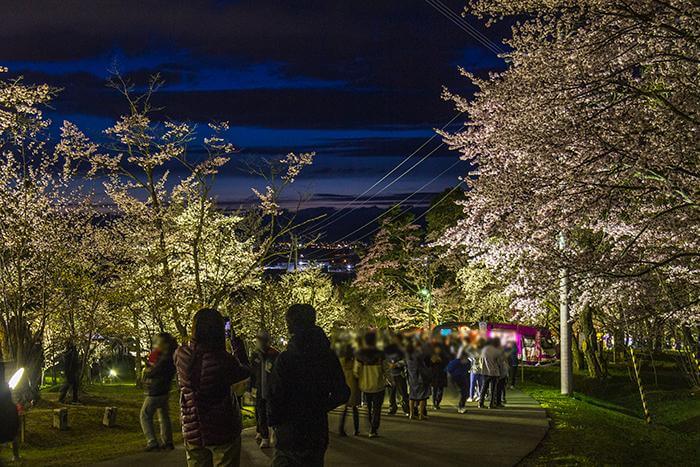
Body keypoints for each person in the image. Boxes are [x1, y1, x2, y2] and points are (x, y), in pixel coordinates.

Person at [268, 304, 350, 467]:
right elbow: (342, 392)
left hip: (289, 430)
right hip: (316, 429)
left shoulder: (286, 359)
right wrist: (319, 406)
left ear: (292, 324)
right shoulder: (327, 356)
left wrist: (273, 423)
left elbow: (276, 396)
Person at [174, 308, 251, 467]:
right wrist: (236, 343)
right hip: (222, 429)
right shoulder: (223, 360)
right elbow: (244, 372)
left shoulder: (181, 355)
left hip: (193, 429)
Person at [140, 333, 178, 452]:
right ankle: (168, 442)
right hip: (165, 391)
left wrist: (148, 369)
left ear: (165, 344)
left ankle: (152, 441)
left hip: (156, 391)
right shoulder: (171, 356)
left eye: (158, 343)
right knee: (163, 416)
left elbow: (153, 372)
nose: (156, 345)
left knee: (145, 415)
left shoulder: (165, 359)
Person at [250, 331, 279, 449]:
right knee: (260, 412)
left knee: (271, 412)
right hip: (259, 388)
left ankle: (273, 432)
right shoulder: (255, 355)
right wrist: (251, 387)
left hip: (271, 389)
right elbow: (252, 373)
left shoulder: (274, 354)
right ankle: (264, 436)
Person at [354, 332, 385, 438]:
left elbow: (356, 371)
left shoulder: (360, 354)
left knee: (368, 407)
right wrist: (391, 381)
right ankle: (373, 428)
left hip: (366, 385)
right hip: (378, 385)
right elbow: (386, 369)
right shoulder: (380, 353)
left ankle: (371, 426)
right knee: (377, 408)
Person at [338, 344, 360, 436]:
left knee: (346, 408)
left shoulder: (341, 361)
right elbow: (357, 372)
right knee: (354, 409)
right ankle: (356, 429)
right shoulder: (354, 360)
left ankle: (341, 428)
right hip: (353, 385)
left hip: (344, 385)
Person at [384, 333, 409, 416]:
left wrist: (397, 364)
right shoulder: (388, 348)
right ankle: (392, 408)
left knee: (403, 392)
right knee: (391, 393)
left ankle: (406, 409)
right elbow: (384, 360)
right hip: (390, 374)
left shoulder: (402, 349)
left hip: (399, 373)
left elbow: (406, 360)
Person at [405, 340, 430, 420]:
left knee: (412, 396)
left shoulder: (407, 356)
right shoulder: (418, 355)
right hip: (420, 378)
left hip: (412, 378)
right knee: (422, 396)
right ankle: (421, 414)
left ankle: (411, 414)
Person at [478, 338, 502, 409]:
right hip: (494, 372)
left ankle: (480, 403)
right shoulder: (496, 351)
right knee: (493, 389)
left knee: (483, 388)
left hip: (485, 372)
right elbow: (499, 362)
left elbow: (481, 361)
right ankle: (491, 404)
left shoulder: (484, 350)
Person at [429, 343, 449, 410]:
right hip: (434, 375)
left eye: (439, 349)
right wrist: (432, 361)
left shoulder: (444, 355)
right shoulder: (431, 355)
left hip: (441, 375)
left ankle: (437, 402)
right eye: (436, 349)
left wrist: (441, 361)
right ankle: (434, 403)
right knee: (434, 390)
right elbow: (428, 364)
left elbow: (447, 362)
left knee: (440, 390)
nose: (437, 350)